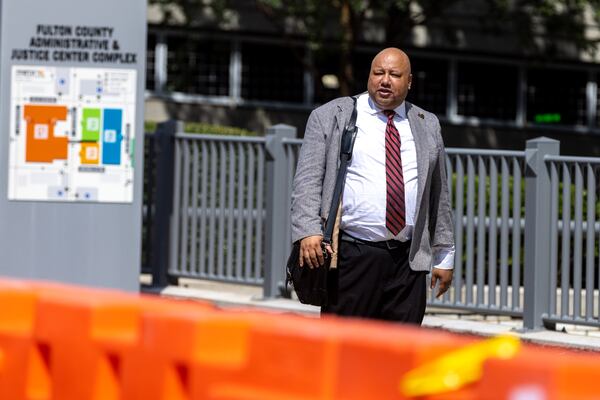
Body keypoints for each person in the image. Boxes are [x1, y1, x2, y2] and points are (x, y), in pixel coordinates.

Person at [290, 47, 454, 324]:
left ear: (409, 81)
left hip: (408, 261)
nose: (385, 80)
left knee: (401, 351)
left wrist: (444, 255)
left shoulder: (427, 124)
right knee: (344, 347)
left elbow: (439, 195)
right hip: (352, 256)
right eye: (378, 73)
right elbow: (307, 180)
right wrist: (308, 232)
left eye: (394, 74)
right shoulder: (332, 115)